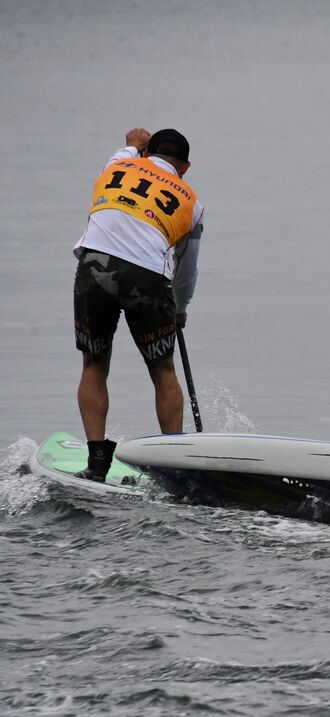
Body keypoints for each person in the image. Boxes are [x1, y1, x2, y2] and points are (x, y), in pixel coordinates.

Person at [72, 127, 204, 481]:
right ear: (186, 167)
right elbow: (186, 271)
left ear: (146, 154)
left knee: (94, 365)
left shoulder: (117, 165)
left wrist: (134, 145)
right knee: (163, 372)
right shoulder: (192, 204)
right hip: (146, 278)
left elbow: (128, 147)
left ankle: (97, 463)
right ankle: (175, 468)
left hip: (94, 266)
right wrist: (179, 308)